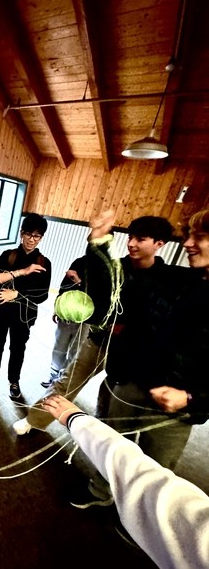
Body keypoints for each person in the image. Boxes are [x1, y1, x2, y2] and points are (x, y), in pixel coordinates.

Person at [70, 208, 209, 509]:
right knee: (112, 445)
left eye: (199, 237)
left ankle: (137, 519)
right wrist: (98, 243)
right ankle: (100, 492)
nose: (187, 243)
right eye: (189, 235)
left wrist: (191, 397)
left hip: (174, 409)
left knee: (154, 470)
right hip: (131, 382)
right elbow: (112, 292)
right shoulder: (175, 278)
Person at [43, 394, 209, 569]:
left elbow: (153, 492)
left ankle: (136, 528)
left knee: (157, 466)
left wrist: (192, 399)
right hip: (129, 383)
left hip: (182, 409)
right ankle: (105, 497)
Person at [14, 215, 173, 435]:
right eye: (130, 237)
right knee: (68, 380)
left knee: (114, 393)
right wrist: (97, 241)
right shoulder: (116, 267)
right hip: (100, 339)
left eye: (141, 239)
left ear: (159, 243)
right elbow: (96, 293)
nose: (131, 243)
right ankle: (34, 419)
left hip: (133, 349)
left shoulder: (166, 278)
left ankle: (104, 434)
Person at [0, 213, 52, 402]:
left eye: (37, 236)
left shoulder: (44, 263)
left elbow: (42, 294)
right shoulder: (8, 256)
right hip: (2, 312)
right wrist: (18, 274)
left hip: (24, 316)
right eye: (28, 234)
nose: (31, 239)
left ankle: (14, 381)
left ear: (41, 238)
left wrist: (17, 294)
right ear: (21, 233)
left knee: (18, 349)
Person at [40, 255, 89, 387]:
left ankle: (65, 378)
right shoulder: (80, 261)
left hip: (85, 318)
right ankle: (53, 374)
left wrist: (79, 281)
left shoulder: (106, 268)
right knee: (59, 345)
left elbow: (100, 295)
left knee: (76, 350)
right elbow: (64, 286)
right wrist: (57, 307)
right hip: (67, 313)